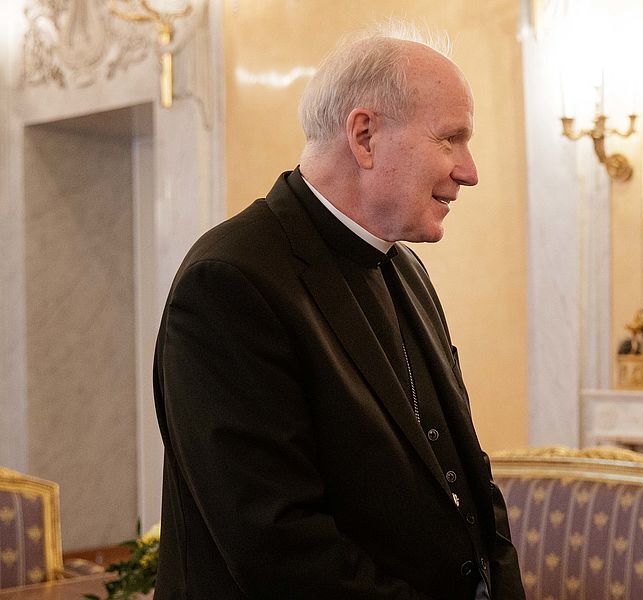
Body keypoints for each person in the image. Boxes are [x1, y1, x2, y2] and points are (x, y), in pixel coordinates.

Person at [152, 26, 523, 599]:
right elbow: (278, 545)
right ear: (365, 136)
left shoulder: (406, 269)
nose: (469, 170)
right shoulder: (229, 280)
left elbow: (467, 478)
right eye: (451, 139)